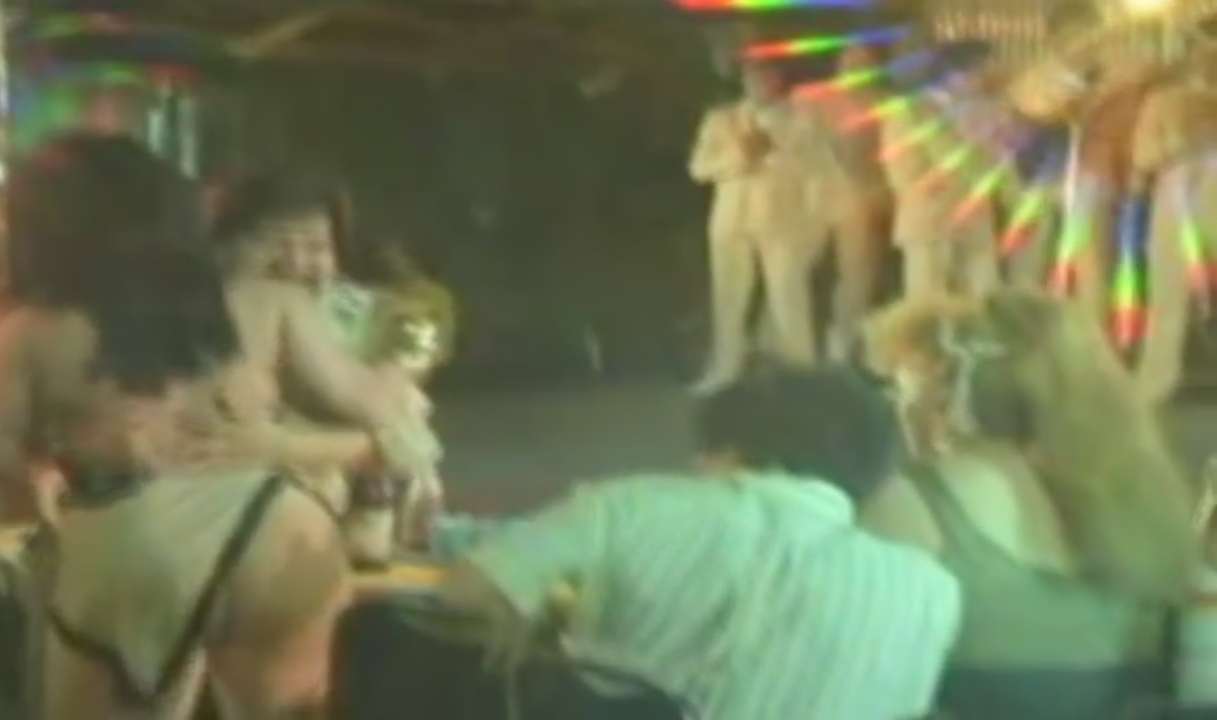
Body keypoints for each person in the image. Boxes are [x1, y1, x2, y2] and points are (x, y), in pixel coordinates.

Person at [0, 134, 368, 718]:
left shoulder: (34, 331)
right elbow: (388, 423)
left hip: (136, 540)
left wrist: (36, 473)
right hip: (279, 523)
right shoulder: (231, 307)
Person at [438, 366, 961, 720]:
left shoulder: (629, 506)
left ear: (728, 449)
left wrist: (525, 610)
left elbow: (466, 589)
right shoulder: (932, 593)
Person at [862, 289, 1197, 720]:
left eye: (900, 388)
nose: (898, 407)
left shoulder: (911, 502)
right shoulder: (1151, 501)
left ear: (942, 395)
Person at [211, 172, 443, 550]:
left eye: (316, 246)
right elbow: (373, 405)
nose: (295, 263)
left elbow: (382, 391)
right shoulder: (269, 298)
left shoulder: (372, 313)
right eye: (276, 244)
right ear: (239, 245)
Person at [688, 61, 826, 393]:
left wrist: (773, 155)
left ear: (779, 80)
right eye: (753, 76)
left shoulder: (801, 120)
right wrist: (739, 159)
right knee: (728, 299)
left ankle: (800, 374)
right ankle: (725, 369)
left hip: (782, 219)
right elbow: (699, 168)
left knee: (787, 296)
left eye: (767, 76)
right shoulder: (722, 119)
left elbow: (815, 170)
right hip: (731, 220)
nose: (760, 83)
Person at [795, 45, 895, 359]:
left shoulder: (884, 102)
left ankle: (844, 342)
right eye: (850, 58)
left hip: (863, 196)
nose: (855, 65)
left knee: (858, 275)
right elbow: (798, 145)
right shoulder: (811, 98)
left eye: (864, 60)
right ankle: (781, 341)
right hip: (810, 198)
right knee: (791, 270)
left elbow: (891, 152)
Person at [1131, 46, 1217, 405]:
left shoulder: (1165, 102)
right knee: (1169, 297)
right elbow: (1144, 157)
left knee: (1168, 297)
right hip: (1188, 197)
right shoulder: (1168, 102)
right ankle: (1153, 387)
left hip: (1183, 196)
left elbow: (1144, 159)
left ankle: (1154, 386)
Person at [882, 41, 1001, 299]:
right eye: (981, 72)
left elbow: (995, 160)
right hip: (930, 221)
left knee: (984, 300)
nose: (986, 80)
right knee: (928, 303)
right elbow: (899, 168)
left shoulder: (985, 110)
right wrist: (923, 183)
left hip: (975, 220)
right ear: (956, 73)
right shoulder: (911, 110)